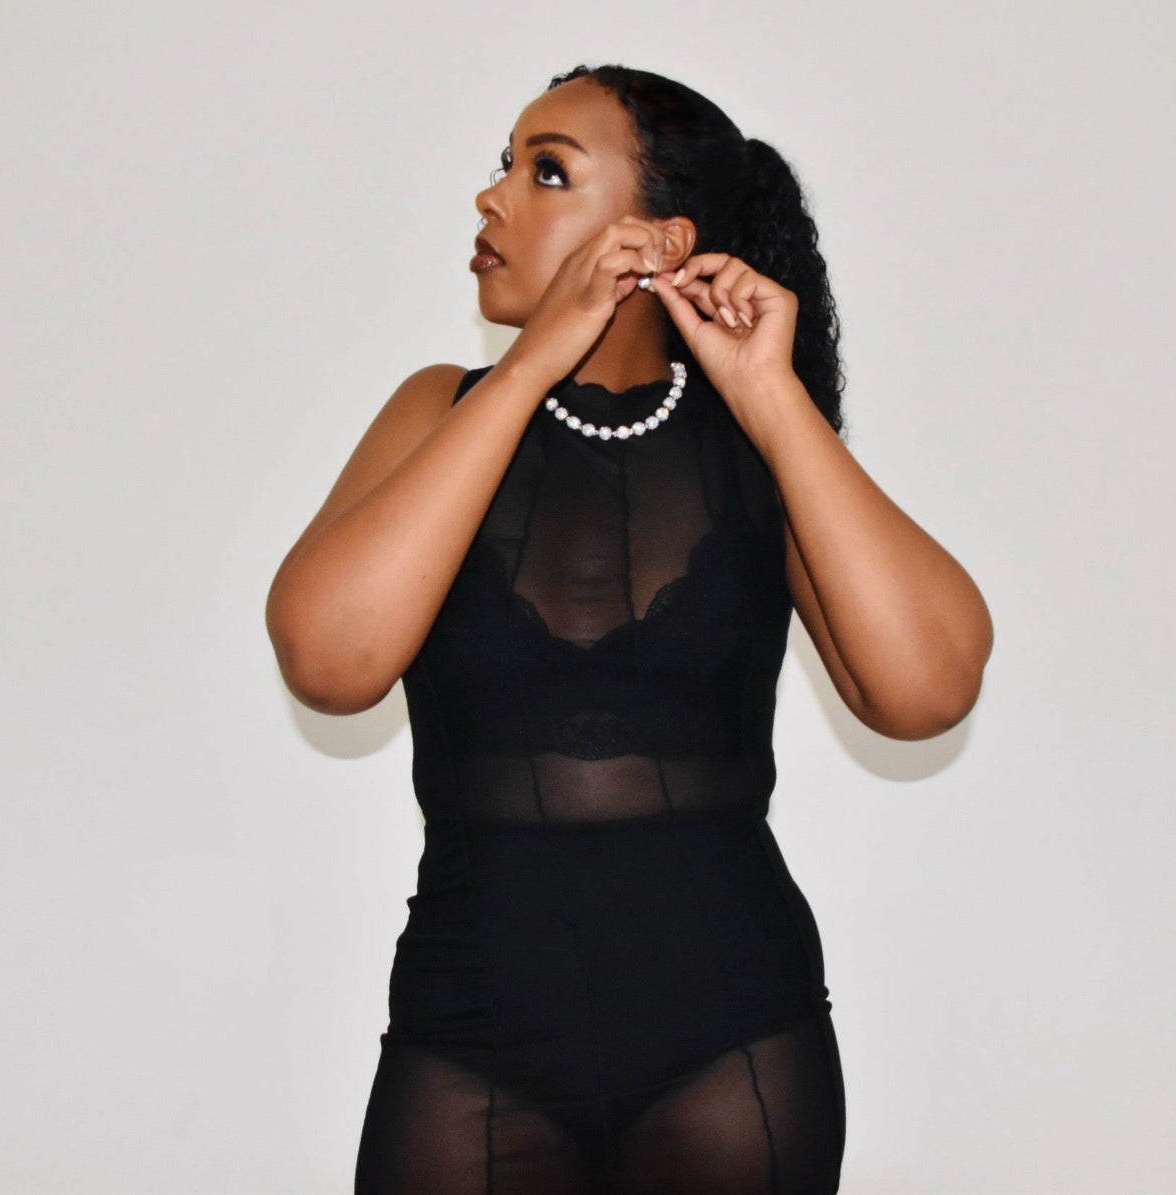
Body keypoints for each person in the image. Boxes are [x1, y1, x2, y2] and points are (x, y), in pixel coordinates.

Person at [266, 63, 993, 1195]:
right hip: (469, 1040)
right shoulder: (436, 409)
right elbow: (327, 661)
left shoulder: (757, 441)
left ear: (662, 241)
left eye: (547, 171)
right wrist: (530, 366)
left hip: (736, 1048)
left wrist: (773, 398)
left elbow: (928, 690)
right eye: (504, 164)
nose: (493, 197)